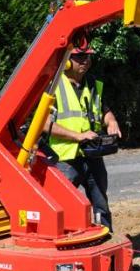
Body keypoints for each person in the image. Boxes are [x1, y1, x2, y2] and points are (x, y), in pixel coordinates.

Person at [45, 46, 121, 231]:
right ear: (67, 60)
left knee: (100, 202)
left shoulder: (93, 84)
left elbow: (105, 111)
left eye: (88, 56)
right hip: (65, 158)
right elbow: (45, 124)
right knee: (60, 204)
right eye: (79, 56)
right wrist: (78, 136)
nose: (85, 60)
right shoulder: (53, 86)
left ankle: (105, 235)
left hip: (92, 153)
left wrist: (112, 121)